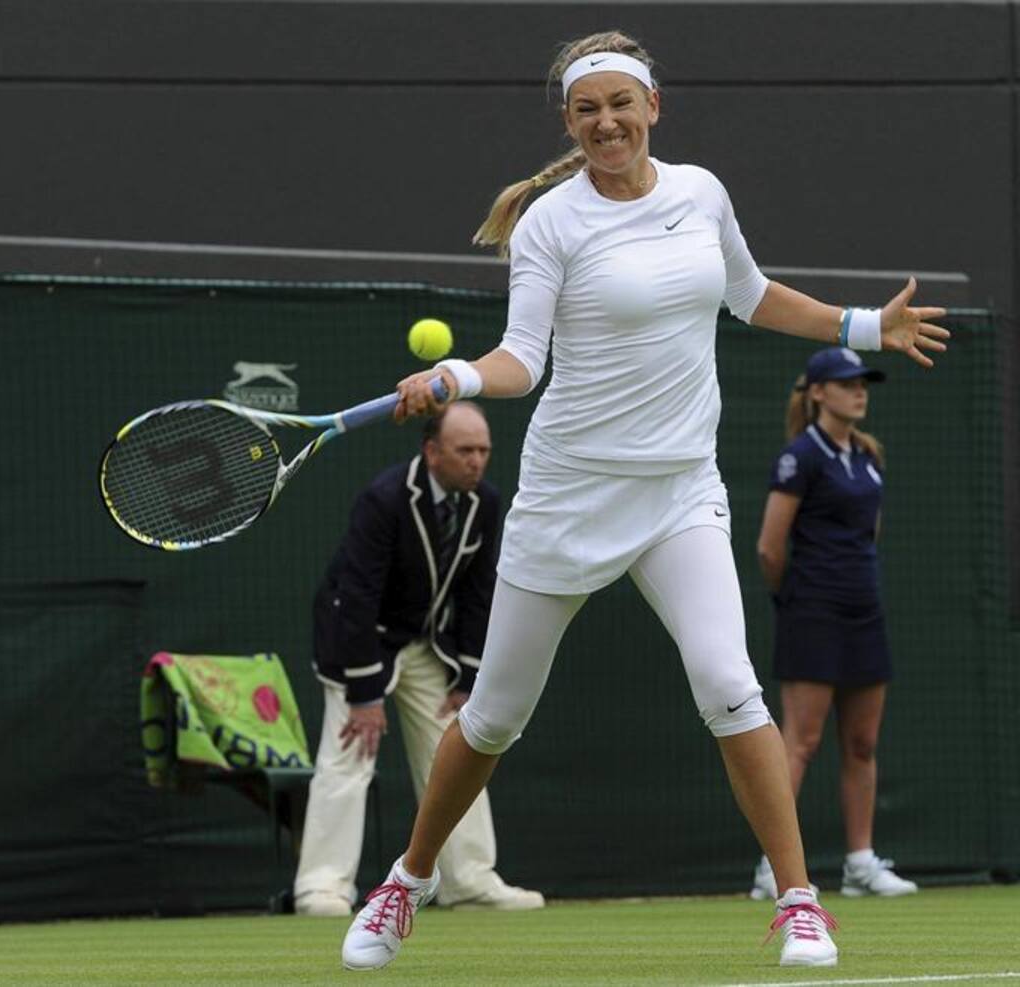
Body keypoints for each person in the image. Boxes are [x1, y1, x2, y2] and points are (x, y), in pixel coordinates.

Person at [339, 29, 948, 972]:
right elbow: (522, 359)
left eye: (622, 104)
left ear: (653, 107)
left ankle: (799, 903)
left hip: (678, 493)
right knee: (494, 715)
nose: (606, 122)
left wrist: (864, 322)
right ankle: (405, 882)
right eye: (587, 110)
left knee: (728, 682)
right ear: (570, 123)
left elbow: (748, 295)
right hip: (568, 496)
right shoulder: (550, 224)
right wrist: (458, 374)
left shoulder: (702, 193)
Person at [293, 401, 545, 917]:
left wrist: (467, 678)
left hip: (427, 645)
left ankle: (469, 881)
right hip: (358, 641)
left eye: (484, 451)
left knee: (459, 749)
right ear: (432, 452)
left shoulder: (485, 501)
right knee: (350, 753)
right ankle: (322, 887)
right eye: (465, 451)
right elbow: (356, 595)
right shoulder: (384, 499)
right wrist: (365, 694)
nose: (477, 462)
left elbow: (478, 593)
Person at [749, 347, 919, 901]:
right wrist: (796, 602)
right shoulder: (800, 458)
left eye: (863, 382)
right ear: (818, 392)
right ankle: (773, 870)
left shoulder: (869, 456)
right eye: (847, 383)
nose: (859, 390)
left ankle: (860, 864)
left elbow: (872, 535)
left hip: (864, 611)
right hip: (812, 611)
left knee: (863, 742)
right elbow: (770, 550)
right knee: (801, 742)